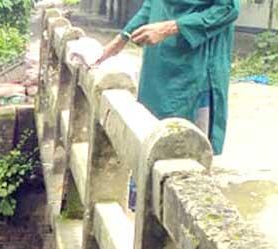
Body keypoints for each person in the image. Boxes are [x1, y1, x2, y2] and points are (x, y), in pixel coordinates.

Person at [95, 0, 239, 208]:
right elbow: (153, 5)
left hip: (195, 66)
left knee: (187, 149)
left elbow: (227, 9)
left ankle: (184, 215)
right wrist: (122, 38)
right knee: (149, 134)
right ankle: (144, 209)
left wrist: (171, 27)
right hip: (159, 65)